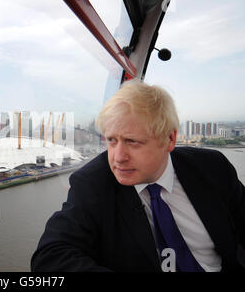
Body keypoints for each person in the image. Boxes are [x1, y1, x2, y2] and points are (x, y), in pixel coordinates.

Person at [31, 80, 245, 272]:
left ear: (169, 139)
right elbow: (50, 257)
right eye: (111, 140)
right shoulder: (92, 183)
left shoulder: (212, 167)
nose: (118, 157)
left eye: (132, 141)